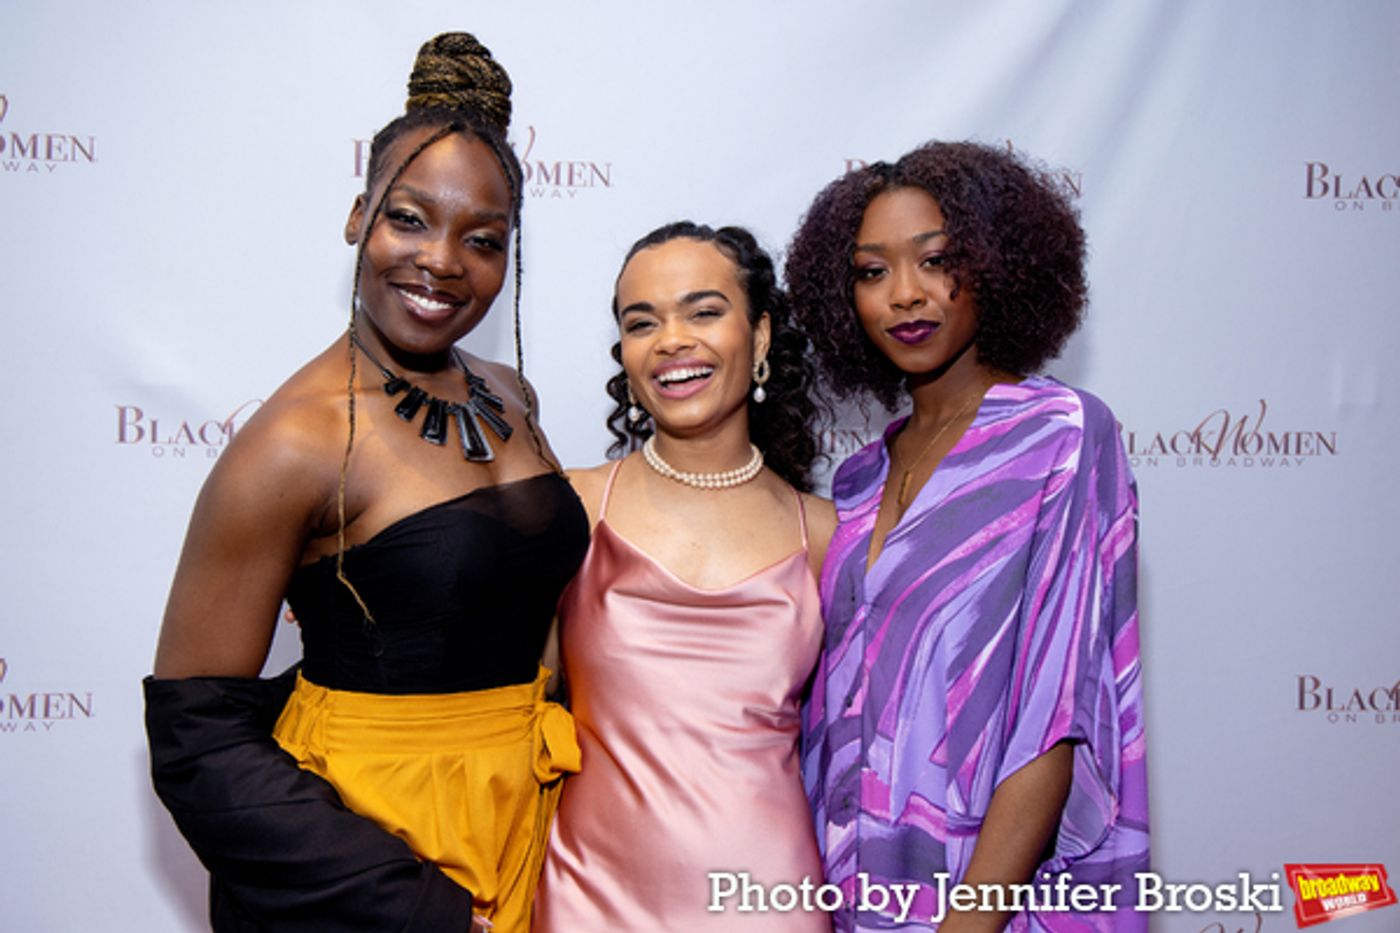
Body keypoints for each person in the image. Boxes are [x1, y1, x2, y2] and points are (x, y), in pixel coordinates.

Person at [143, 34, 587, 933]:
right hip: (374, 856)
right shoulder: (293, 442)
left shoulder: (511, 393)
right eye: (410, 218)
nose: (442, 261)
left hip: (523, 823)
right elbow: (197, 741)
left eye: (484, 239)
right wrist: (413, 905)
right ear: (359, 216)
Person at [786, 141, 1148, 931]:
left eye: (936, 260)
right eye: (872, 272)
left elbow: (1059, 714)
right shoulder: (858, 480)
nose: (905, 296)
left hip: (979, 895)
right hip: (848, 888)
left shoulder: (1061, 436)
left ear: (996, 264)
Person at [532, 222, 836, 931]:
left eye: (703, 311)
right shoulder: (573, 504)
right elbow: (509, 703)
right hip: (588, 900)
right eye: (643, 322)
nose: (671, 339)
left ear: (759, 336)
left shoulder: (823, 533)